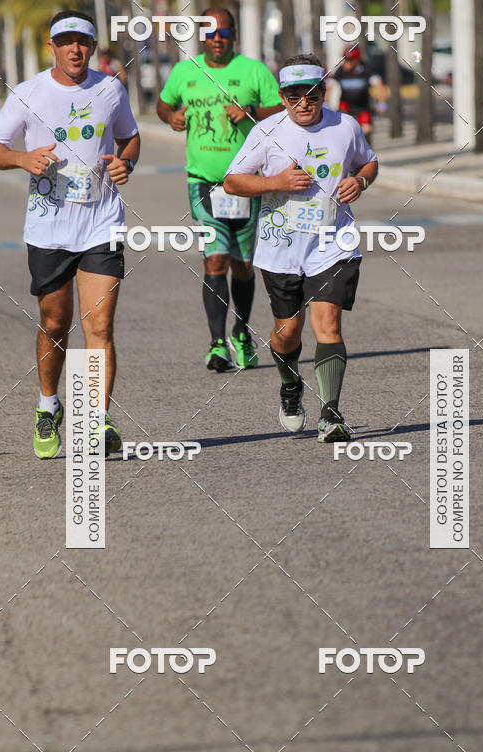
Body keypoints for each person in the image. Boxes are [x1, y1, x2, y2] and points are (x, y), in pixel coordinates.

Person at [0, 10, 140, 459]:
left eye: (83, 42)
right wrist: (22, 159)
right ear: (52, 45)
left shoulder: (110, 89)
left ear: (92, 47)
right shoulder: (30, 93)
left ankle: (96, 419)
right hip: (48, 228)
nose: (75, 49)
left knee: (100, 326)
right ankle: (48, 406)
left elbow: (130, 138)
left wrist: (126, 162)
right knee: (55, 323)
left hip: (101, 223)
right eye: (67, 41)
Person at [223, 54, 378, 443]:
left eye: (311, 95)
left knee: (328, 324)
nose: (303, 103)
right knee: (287, 332)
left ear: (324, 93)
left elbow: (370, 162)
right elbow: (232, 182)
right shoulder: (266, 131)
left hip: (333, 242)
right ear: (282, 96)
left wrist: (360, 182)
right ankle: (290, 387)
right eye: (293, 96)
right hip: (282, 248)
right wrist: (275, 182)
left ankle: (331, 414)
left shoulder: (345, 126)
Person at [157, 6, 282, 372]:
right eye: (209, 33)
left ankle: (241, 332)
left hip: (246, 182)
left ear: (234, 36)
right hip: (203, 183)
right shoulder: (185, 71)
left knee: (243, 266)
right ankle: (217, 345)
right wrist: (172, 117)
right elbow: (165, 105)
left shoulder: (253, 71)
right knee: (215, 258)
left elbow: (280, 111)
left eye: (223, 34)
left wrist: (251, 111)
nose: (216, 40)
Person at [332, 47, 388, 144]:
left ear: (357, 60)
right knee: (343, 130)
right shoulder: (340, 71)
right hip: (346, 106)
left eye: (349, 60)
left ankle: (368, 153)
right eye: (345, 59)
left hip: (363, 107)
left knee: (367, 130)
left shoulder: (366, 70)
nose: (346, 62)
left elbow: (379, 85)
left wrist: (382, 103)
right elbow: (329, 86)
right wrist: (327, 104)